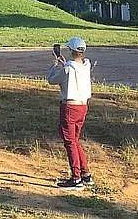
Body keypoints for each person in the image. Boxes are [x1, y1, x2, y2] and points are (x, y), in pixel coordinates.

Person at [46, 36, 93, 190]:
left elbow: (52, 79)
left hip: (69, 107)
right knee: (75, 140)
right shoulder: (86, 65)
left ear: (71, 51)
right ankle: (85, 174)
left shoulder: (67, 68)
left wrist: (55, 64)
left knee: (70, 142)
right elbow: (74, 68)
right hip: (82, 106)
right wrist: (64, 63)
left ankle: (76, 177)